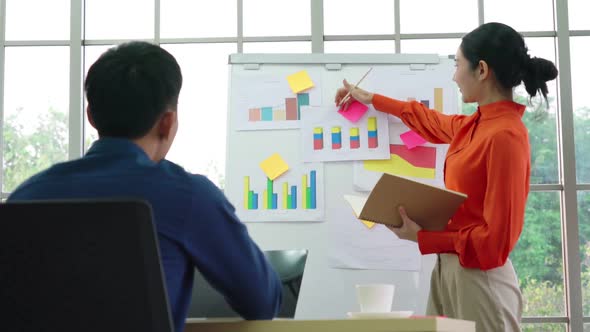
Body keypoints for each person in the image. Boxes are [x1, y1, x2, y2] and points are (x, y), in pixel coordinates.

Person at [8, 41, 282, 332]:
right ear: (167, 122)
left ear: (90, 115)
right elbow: (262, 302)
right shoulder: (188, 196)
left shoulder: (28, 195)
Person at [335, 22, 558, 331]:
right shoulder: (475, 125)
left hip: (481, 279)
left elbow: (494, 244)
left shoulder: (505, 135)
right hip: (450, 270)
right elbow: (429, 121)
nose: (454, 76)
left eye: (457, 65)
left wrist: (423, 237)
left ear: (481, 70)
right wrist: (370, 98)